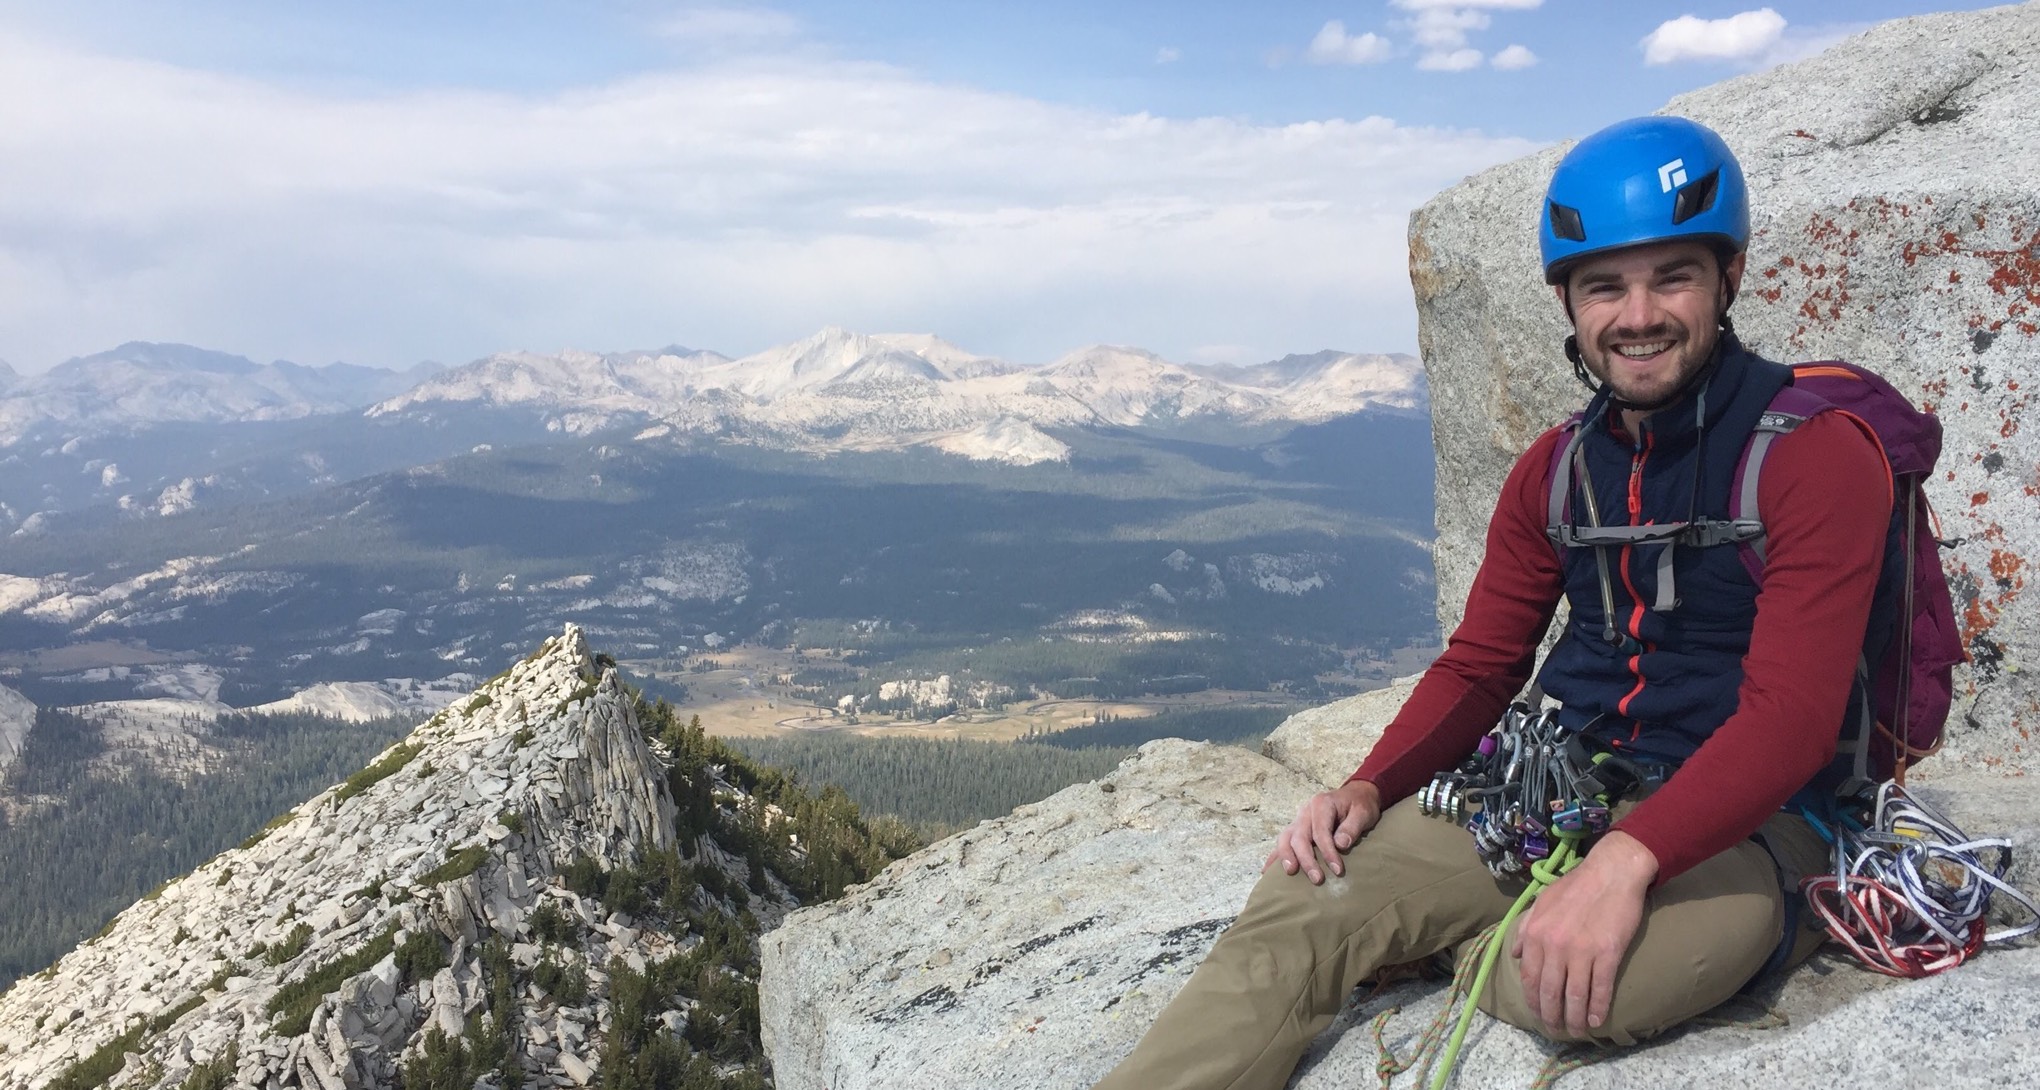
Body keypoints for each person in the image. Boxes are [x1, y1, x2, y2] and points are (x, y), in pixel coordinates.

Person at [1093, 115, 1893, 1090]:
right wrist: (1366, 788)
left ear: (1729, 278)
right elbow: (1480, 665)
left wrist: (1624, 863)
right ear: (1568, 300)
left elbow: (1793, 718)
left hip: (1760, 812)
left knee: (1573, 987)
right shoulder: (1555, 474)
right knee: (1303, 903)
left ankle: (1795, 904)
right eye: (1604, 285)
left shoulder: (1813, 455)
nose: (1638, 314)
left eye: (1672, 276)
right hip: (1567, 779)